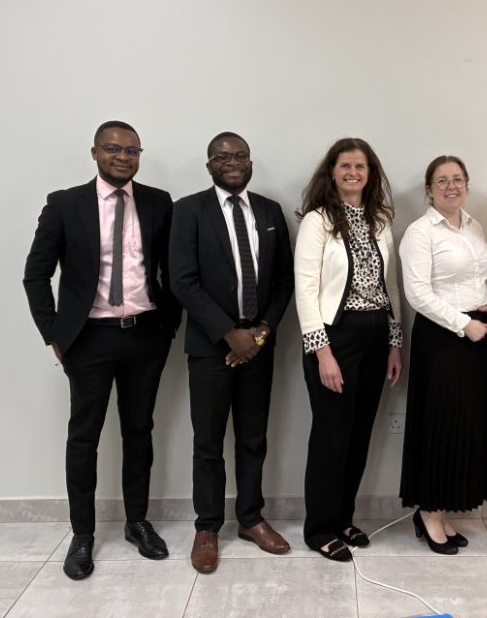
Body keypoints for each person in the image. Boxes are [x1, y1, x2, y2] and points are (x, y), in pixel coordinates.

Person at [23, 121, 181, 580]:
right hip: (88, 337)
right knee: (84, 436)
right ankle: (83, 534)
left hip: (145, 335)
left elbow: (171, 270)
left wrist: (167, 325)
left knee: (140, 431)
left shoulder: (158, 202)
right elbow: (36, 274)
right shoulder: (64, 204)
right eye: (113, 148)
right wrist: (54, 334)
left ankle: (137, 522)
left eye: (132, 150)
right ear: (94, 152)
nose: (123, 157)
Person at [169, 132, 294, 575]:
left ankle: (250, 518)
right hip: (210, 348)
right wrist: (228, 334)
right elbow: (182, 280)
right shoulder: (188, 211)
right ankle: (207, 526)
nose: (233, 162)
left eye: (241, 155)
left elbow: (284, 280)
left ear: (250, 162)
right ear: (210, 165)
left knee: (253, 437)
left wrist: (259, 333)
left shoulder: (270, 211)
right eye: (223, 156)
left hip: (259, 345)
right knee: (207, 442)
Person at [294, 137, 403, 562]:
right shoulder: (318, 221)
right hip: (334, 337)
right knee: (331, 437)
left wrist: (395, 343)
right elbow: (306, 290)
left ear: (370, 174)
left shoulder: (380, 221)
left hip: (376, 336)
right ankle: (318, 528)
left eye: (360, 166)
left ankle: (343, 518)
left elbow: (390, 286)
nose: (353, 173)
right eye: (345, 166)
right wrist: (322, 353)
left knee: (359, 435)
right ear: (332, 172)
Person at [398, 155, 487, 555]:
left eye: (457, 179)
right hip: (441, 338)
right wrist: (463, 324)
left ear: (467, 185)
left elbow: (482, 278)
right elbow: (417, 294)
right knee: (438, 427)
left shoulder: (474, 226)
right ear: (429, 189)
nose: (451, 186)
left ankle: (442, 510)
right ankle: (429, 511)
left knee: (465, 427)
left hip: (477, 336)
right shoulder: (420, 232)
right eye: (442, 181)